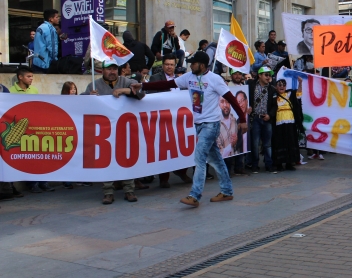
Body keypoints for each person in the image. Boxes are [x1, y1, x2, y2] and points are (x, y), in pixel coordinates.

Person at [141, 52, 246, 207]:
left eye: (193, 63)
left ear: (202, 65)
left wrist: (242, 120)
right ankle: (227, 191)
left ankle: (195, 195)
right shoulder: (189, 77)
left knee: (199, 158)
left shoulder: (215, 79)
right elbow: (167, 85)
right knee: (216, 159)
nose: (190, 65)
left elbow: (231, 99)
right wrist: (143, 85)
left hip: (211, 125)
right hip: (199, 124)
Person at [82, 61, 145, 204]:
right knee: (106, 161)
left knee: (126, 160)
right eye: (109, 69)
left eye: (114, 69)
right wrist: (89, 97)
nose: (112, 72)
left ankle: (129, 190)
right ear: (102, 71)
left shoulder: (125, 81)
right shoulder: (94, 84)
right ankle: (108, 192)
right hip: (104, 132)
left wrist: (124, 91)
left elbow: (140, 92)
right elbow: (82, 103)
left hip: (124, 129)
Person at [147, 55, 193, 187]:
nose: (169, 67)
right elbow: (150, 96)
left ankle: (181, 171)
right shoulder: (155, 78)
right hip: (163, 119)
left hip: (179, 120)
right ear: (163, 65)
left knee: (181, 146)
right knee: (165, 149)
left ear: (175, 66)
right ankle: (164, 178)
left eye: (171, 65)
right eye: (167, 64)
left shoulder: (180, 79)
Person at [246, 66, 277, 173]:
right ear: (259, 75)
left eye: (270, 75)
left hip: (267, 119)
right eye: (266, 75)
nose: (268, 77)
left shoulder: (272, 89)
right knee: (255, 143)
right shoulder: (251, 85)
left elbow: (274, 105)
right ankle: (255, 164)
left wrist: (270, 115)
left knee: (267, 144)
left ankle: (269, 164)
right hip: (255, 118)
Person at [272, 79, 302, 171]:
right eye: (279, 85)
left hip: (290, 121)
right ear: (276, 86)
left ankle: (289, 163)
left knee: (290, 141)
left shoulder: (290, 94)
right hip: (278, 122)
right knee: (279, 142)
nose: (282, 86)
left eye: (284, 85)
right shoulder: (273, 96)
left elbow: (299, 94)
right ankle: (279, 163)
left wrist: (300, 83)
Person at [33, 9, 60, 73]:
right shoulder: (50, 29)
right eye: (56, 17)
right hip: (46, 63)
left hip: (37, 61)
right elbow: (52, 46)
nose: (58, 19)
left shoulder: (40, 27)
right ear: (51, 19)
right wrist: (55, 60)